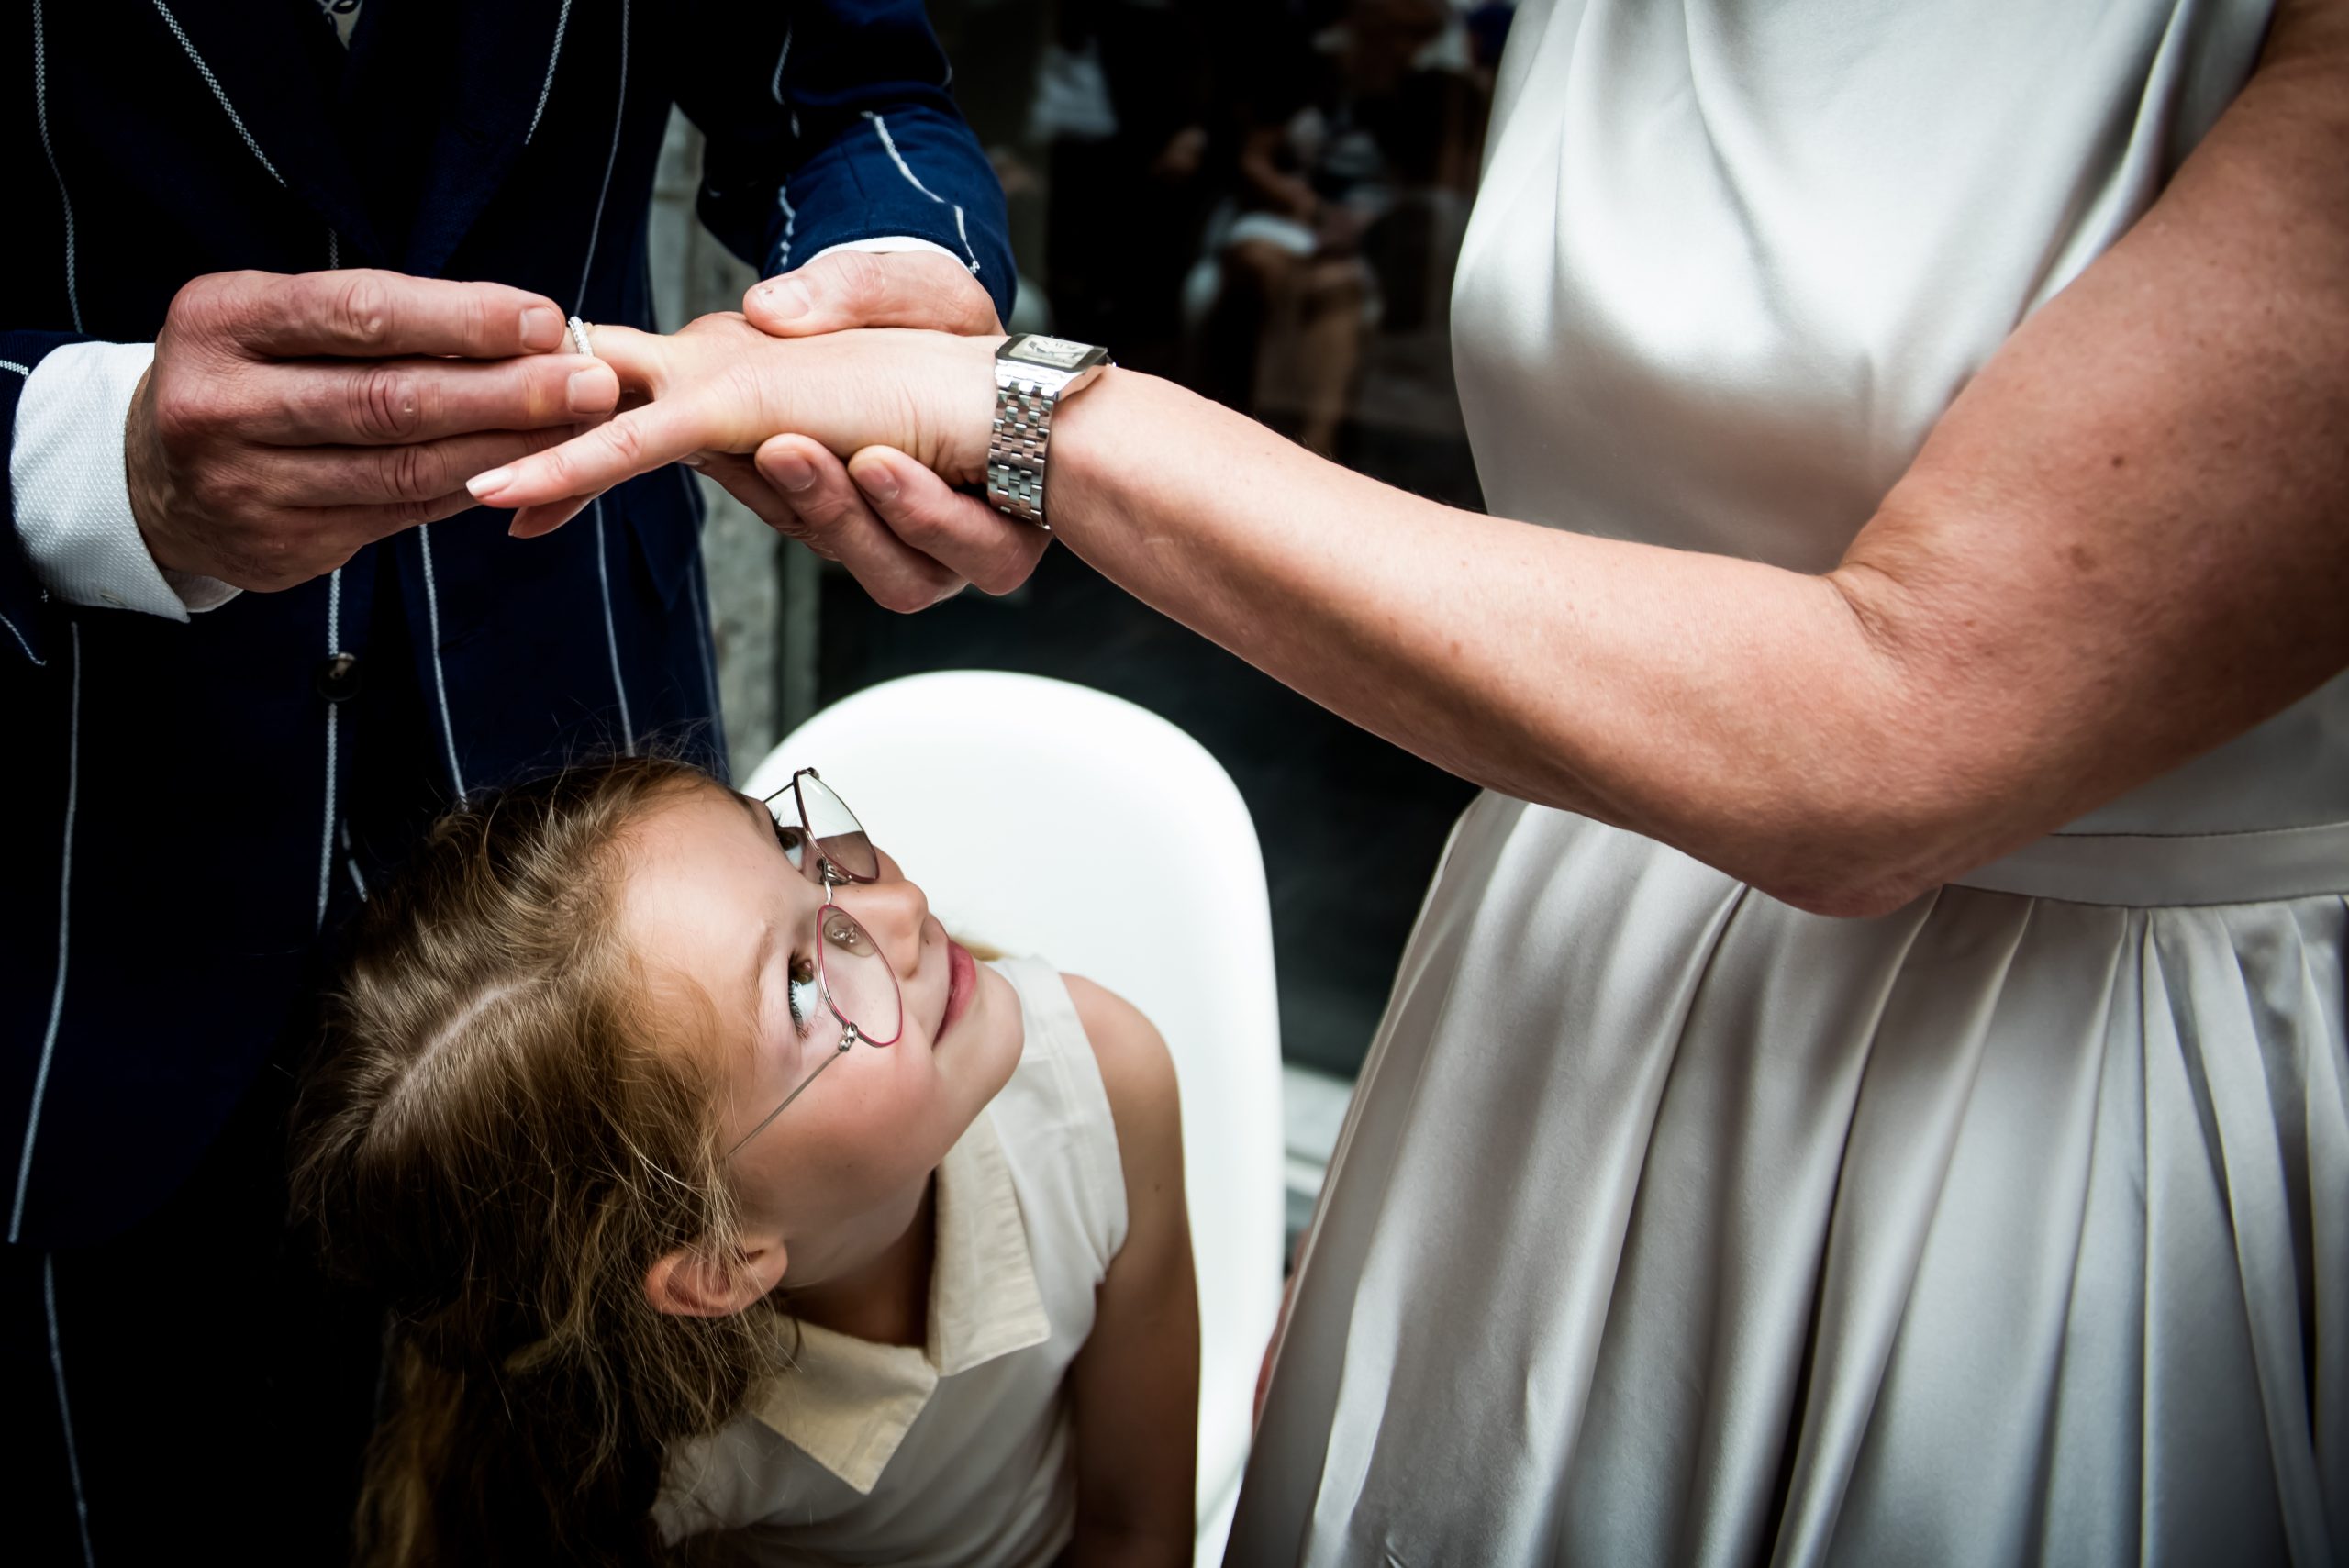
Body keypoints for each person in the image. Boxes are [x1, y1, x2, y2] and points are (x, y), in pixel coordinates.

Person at [473, 0, 2349, 1559]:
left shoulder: (1084, 1081)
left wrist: (1010, 409)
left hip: (2051, 1075)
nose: (888, 910)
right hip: (1553, 972)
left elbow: (1900, 729)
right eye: (801, 966)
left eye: (818, 867)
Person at [2, 4, 1010, 1560]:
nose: (890, 909)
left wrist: (902, 294)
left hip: (592, 796)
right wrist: (76, 457)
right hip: (78, 883)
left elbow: (847, 87)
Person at [293, 756, 1198, 1567]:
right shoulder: (651, 1454)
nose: (904, 908)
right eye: (801, 988)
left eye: (794, 847)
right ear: (720, 1262)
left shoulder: (1099, 1080)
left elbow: (1136, 1529)